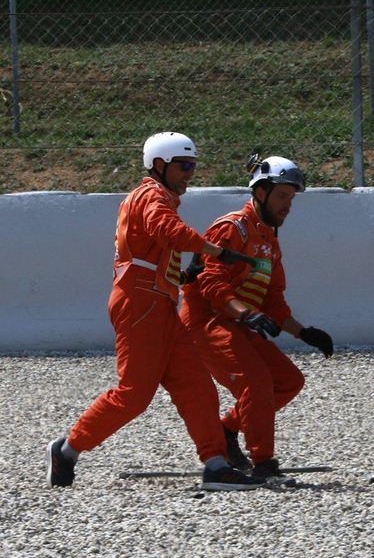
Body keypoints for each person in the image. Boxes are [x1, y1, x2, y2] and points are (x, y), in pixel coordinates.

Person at [47, 132, 266, 491]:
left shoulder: (155, 196)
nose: (190, 174)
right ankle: (67, 450)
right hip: (140, 304)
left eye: (193, 166)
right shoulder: (152, 195)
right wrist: (217, 251)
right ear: (160, 165)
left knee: (196, 386)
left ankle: (215, 465)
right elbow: (167, 229)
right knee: (134, 394)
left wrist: (185, 273)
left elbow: (153, 251)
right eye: (184, 166)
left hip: (158, 304)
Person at [179, 154, 333, 480]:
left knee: (289, 381)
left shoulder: (269, 242)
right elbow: (209, 281)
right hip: (206, 324)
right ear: (260, 192)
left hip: (238, 322)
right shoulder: (232, 228)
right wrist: (245, 313)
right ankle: (263, 463)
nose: (287, 205)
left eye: (291, 198)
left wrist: (304, 333)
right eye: (281, 196)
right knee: (257, 381)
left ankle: (226, 430)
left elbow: (273, 300)